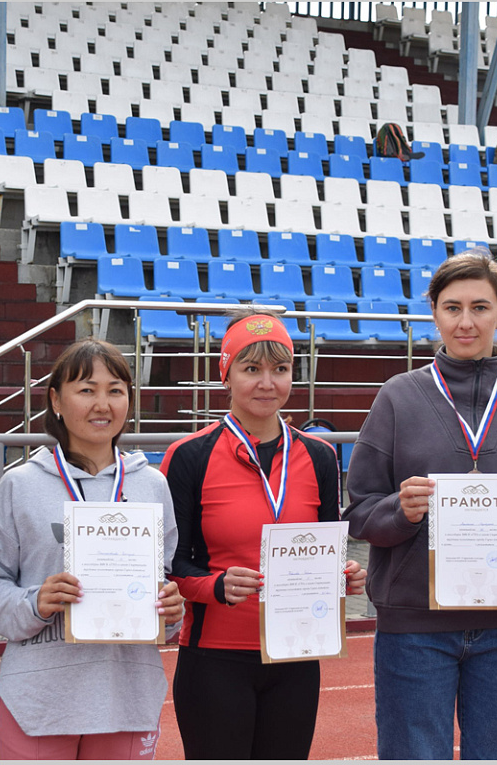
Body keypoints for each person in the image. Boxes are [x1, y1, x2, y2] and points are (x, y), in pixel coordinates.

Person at [343, 251, 497, 760]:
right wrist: (401, 510)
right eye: (452, 307)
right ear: (433, 312)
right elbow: (360, 511)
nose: (465, 321)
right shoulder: (397, 397)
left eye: (480, 307)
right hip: (414, 629)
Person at [160, 308, 367, 760]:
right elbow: (170, 566)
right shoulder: (188, 456)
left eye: (280, 369)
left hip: (296, 656)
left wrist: (343, 574)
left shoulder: (320, 457)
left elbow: (326, 548)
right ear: (226, 374)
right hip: (215, 658)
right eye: (251, 368)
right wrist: (214, 586)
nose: (267, 382)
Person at [0, 338, 184, 760]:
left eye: (115, 390)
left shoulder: (152, 485)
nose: (102, 404)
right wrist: (34, 602)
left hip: (128, 695)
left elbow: (164, 580)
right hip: (38, 697)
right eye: (86, 390)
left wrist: (171, 610)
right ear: (56, 401)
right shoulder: (20, 485)